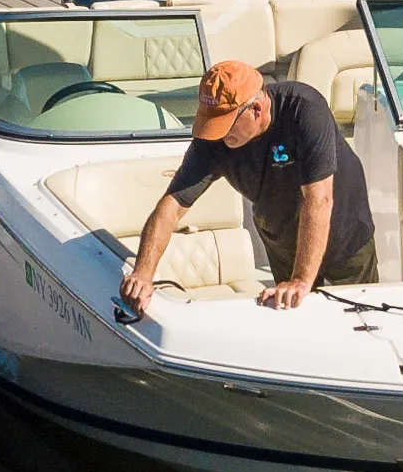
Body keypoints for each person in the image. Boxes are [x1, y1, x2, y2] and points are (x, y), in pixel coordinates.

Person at [121, 61, 376, 315]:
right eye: (211, 123)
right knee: (294, 319)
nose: (218, 135)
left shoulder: (304, 109)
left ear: (255, 109)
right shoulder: (213, 141)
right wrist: (143, 273)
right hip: (283, 239)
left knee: (363, 319)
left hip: (346, 233)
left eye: (226, 124)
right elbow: (172, 205)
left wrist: (300, 280)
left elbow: (319, 200)